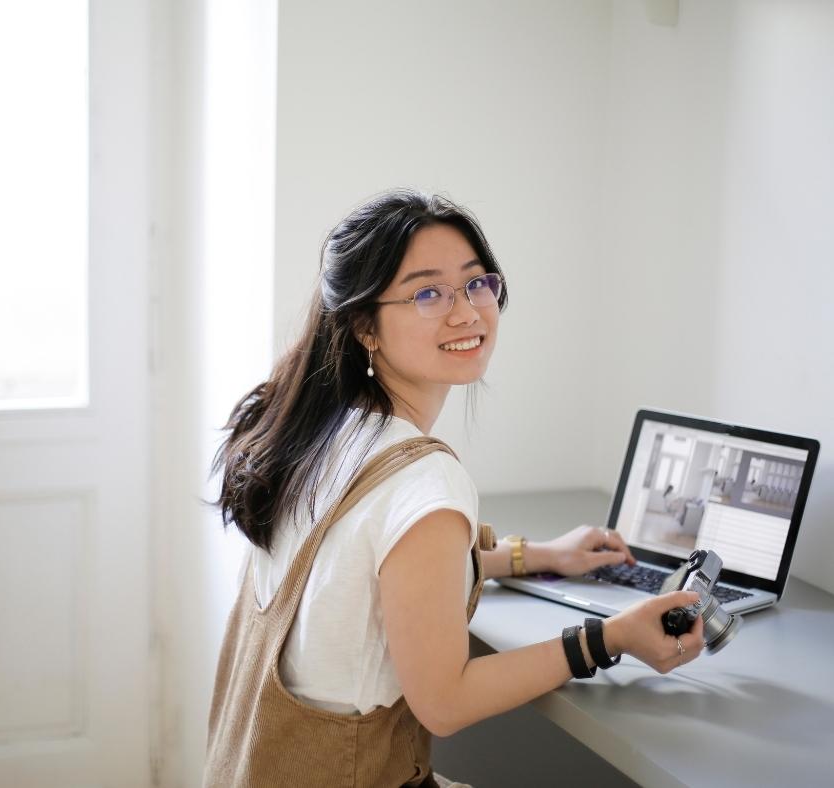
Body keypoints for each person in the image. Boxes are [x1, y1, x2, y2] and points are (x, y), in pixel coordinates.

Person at [204, 189, 705, 788]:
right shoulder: (422, 480)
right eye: (427, 293)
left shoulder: (321, 434)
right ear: (365, 326)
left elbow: (370, 573)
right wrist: (612, 636)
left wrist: (535, 556)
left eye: (475, 283)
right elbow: (445, 701)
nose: (467, 312)